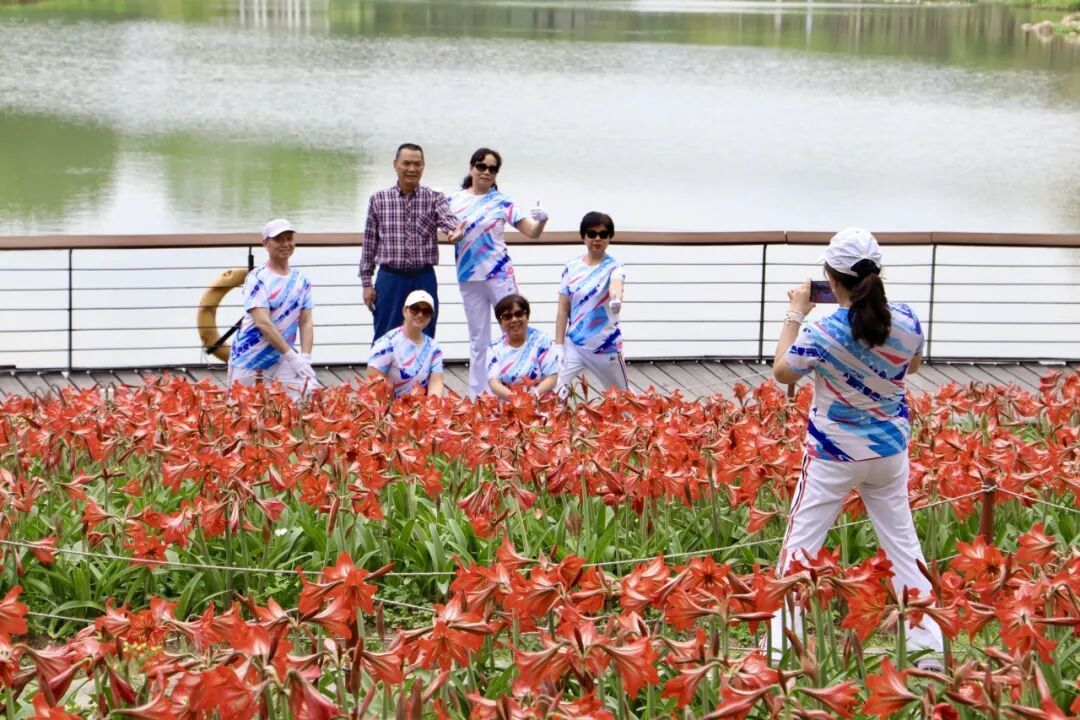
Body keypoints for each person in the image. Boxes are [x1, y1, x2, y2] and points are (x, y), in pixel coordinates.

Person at [769, 227, 943, 669]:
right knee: (903, 546)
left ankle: (781, 653)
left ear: (831, 279)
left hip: (833, 454)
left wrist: (794, 312)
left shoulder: (821, 329)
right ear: (877, 273)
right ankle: (929, 651)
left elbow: (783, 372)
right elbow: (913, 365)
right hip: (889, 452)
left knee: (800, 547)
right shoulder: (906, 319)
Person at [448, 148, 549, 398]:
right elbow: (445, 231)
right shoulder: (453, 200)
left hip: (499, 276)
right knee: (478, 340)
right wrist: (452, 236)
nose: (486, 172)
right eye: (481, 166)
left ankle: (518, 390)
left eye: (492, 169)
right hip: (469, 278)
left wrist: (542, 220)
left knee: (514, 331)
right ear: (471, 168)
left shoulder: (502, 202)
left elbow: (532, 232)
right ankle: (479, 397)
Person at [359, 143, 465, 343]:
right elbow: (370, 244)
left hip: (423, 277)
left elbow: (449, 221)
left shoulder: (434, 198)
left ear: (423, 166)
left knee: (424, 335)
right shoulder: (379, 200)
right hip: (390, 278)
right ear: (395, 165)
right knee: (385, 336)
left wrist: (455, 232)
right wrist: (366, 283)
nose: (412, 169)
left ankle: (424, 365)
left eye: (417, 164)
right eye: (406, 163)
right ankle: (381, 366)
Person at [227, 218, 318, 399]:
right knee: (242, 410)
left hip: (283, 359)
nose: (286, 244)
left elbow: (306, 321)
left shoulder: (302, 280)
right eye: (279, 239)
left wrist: (305, 358)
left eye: (289, 239)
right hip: (249, 358)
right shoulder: (257, 278)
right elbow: (263, 323)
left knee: (307, 396)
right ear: (265, 244)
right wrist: (293, 357)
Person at [553, 211, 628, 395]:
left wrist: (616, 298)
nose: (597, 238)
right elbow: (562, 310)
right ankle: (557, 415)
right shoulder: (571, 267)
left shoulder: (615, 267)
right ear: (583, 237)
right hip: (574, 345)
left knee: (624, 399)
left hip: (605, 347)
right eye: (592, 233)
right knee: (553, 389)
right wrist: (559, 345)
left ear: (609, 238)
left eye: (603, 234)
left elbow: (616, 285)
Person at [366, 290, 445, 398]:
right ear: (404, 311)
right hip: (388, 405)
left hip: (420, 405)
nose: (420, 314)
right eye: (415, 309)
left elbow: (436, 382)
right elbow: (372, 384)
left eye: (426, 312)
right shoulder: (387, 343)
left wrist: (433, 404)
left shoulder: (434, 347)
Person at [487, 294, 558, 399]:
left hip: (540, 400)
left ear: (527, 316)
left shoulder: (542, 341)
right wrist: (517, 399)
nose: (514, 319)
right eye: (507, 316)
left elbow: (552, 378)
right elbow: (494, 383)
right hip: (509, 402)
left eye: (519, 314)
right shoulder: (494, 348)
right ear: (500, 321)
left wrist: (533, 395)